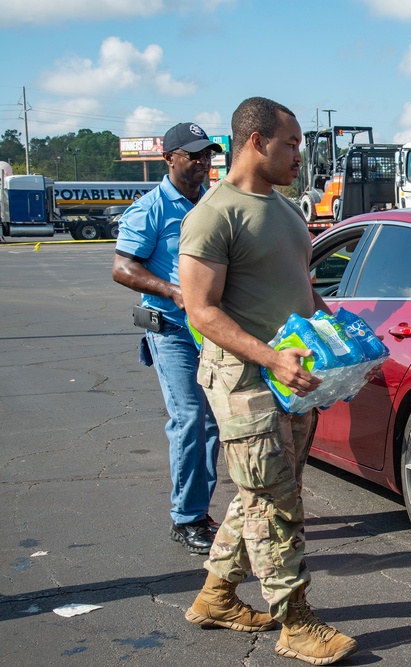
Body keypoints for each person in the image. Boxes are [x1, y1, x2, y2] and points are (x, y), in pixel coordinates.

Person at [178, 97, 357, 664]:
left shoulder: (284, 210)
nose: (300, 155)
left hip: (294, 378)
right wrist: (272, 359)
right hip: (245, 379)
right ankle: (296, 622)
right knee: (275, 503)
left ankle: (215, 597)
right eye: (291, 144)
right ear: (255, 141)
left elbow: (300, 291)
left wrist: (336, 332)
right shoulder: (214, 214)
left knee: (266, 493)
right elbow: (202, 310)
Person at [112, 122, 222, 555]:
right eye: (193, 155)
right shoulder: (151, 209)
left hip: (210, 327)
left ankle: (199, 510)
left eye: (207, 155)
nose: (202, 163)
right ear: (169, 158)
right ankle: (187, 518)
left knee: (213, 422)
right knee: (191, 418)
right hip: (173, 329)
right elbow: (123, 269)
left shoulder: (211, 204)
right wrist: (176, 291)